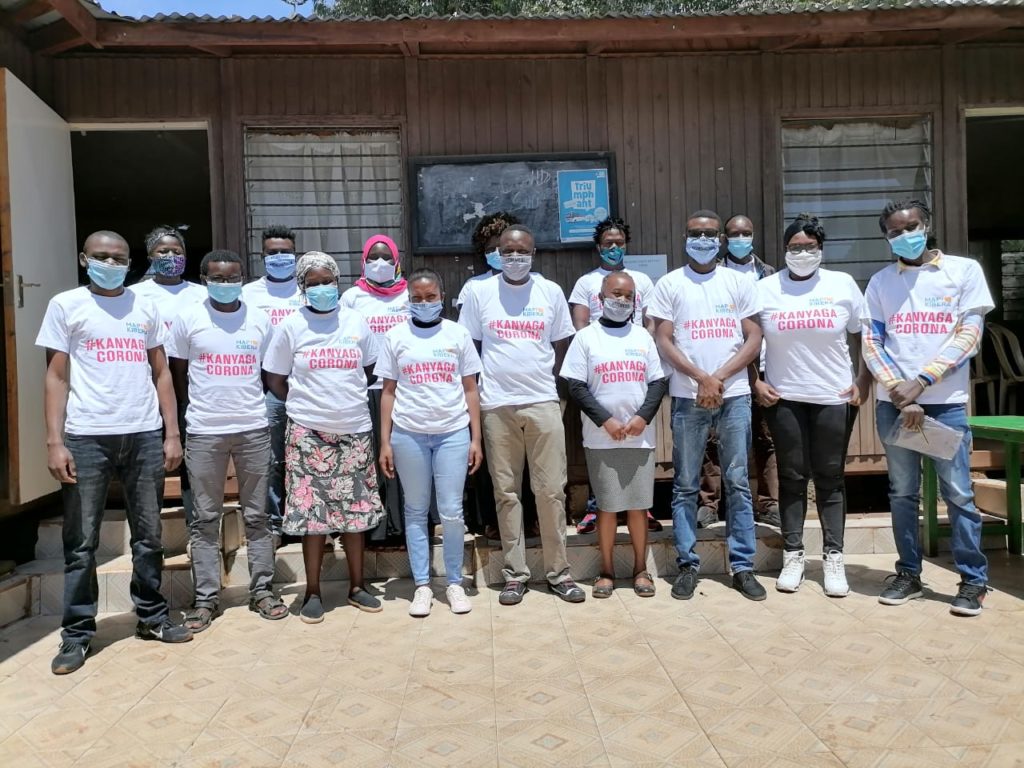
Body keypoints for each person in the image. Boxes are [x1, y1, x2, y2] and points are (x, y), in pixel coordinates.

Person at [37, 231, 192, 675]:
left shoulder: (145, 306)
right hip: (87, 436)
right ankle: (77, 633)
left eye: (118, 257)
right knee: (81, 543)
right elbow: (56, 376)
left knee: (149, 535)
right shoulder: (67, 305)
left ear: (129, 262)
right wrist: (55, 440)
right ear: (84, 259)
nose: (110, 262)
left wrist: (171, 432)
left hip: (143, 433)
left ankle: (152, 616)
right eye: (101, 256)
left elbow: (161, 372)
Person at [864, 200, 994, 617]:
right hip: (895, 406)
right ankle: (908, 574)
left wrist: (921, 383)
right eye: (895, 231)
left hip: (945, 404)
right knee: (902, 494)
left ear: (927, 225)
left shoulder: (964, 271)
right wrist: (898, 390)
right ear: (886, 238)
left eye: (912, 227)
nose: (905, 236)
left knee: (959, 494)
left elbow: (969, 335)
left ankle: (973, 581)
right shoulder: (881, 282)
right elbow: (872, 342)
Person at [459, 224, 585, 605]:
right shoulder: (480, 292)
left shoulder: (550, 291)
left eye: (522, 252)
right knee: (506, 492)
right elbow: (471, 349)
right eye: (507, 252)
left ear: (534, 253)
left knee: (550, 492)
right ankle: (515, 574)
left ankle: (559, 573)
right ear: (497, 253)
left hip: (543, 401)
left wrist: (547, 380)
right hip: (496, 404)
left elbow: (562, 344)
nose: (514, 258)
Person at [648, 210, 766, 601]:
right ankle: (687, 564)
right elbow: (663, 339)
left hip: (733, 397)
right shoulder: (669, 284)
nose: (703, 240)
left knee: (737, 482)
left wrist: (719, 378)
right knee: (684, 485)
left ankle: (743, 566)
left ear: (720, 239)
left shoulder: (739, 281)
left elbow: (753, 337)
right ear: (685, 236)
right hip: (687, 396)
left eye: (710, 234)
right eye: (696, 233)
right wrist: (701, 379)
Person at [168, 249, 287, 632]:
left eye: (233, 277)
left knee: (258, 516)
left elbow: (272, 373)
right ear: (204, 279)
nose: (225, 284)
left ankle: (263, 590)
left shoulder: (260, 319)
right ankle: (205, 599)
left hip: (253, 428)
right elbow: (178, 374)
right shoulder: (189, 319)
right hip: (204, 431)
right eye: (217, 278)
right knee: (204, 518)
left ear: (242, 277)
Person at [263, 251, 385, 621]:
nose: (321, 289)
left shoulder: (356, 321)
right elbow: (274, 377)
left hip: (353, 430)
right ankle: (312, 592)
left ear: (338, 282)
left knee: (354, 513)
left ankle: (357, 586)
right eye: (313, 284)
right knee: (312, 517)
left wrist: (339, 400)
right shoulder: (290, 326)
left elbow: (369, 368)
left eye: (326, 282)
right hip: (307, 433)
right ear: (302, 287)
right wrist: (306, 405)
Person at [754, 215, 871, 597]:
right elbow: (749, 337)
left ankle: (833, 558)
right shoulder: (767, 288)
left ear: (821, 250)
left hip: (833, 397)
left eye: (809, 247)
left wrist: (862, 382)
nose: (802, 253)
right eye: (794, 247)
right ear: (784, 250)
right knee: (791, 477)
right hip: (784, 397)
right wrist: (756, 380)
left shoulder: (842, 285)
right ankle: (793, 554)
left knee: (830, 477)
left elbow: (867, 335)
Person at [377, 269, 484, 616]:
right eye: (417, 298)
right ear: (409, 300)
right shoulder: (395, 336)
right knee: (415, 510)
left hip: (452, 432)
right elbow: (388, 392)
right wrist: (385, 442)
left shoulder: (458, 334)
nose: (424, 304)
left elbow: (470, 388)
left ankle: (453, 581)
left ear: (442, 296)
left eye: (431, 297)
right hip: (408, 434)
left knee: (452, 512)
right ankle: (422, 585)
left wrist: (475, 438)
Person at [561, 271, 667, 598]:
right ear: (601, 299)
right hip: (601, 438)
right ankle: (605, 570)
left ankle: (640, 569)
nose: (621, 301)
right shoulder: (586, 338)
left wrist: (642, 418)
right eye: (615, 294)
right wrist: (605, 420)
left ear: (635, 301)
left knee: (637, 507)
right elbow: (575, 386)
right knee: (607, 507)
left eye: (627, 296)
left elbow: (657, 383)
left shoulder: (642, 338)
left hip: (639, 438)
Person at [568, 217, 661, 536]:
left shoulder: (642, 280)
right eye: (607, 242)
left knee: (636, 446)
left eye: (618, 242)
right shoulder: (586, 282)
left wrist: (637, 342)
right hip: (598, 366)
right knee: (599, 445)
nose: (613, 247)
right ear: (598, 246)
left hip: (633, 361)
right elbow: (579, 322)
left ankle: (641, 509)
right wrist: (596, 350)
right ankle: (597, 507)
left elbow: (651, 322)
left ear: (626, 245)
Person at [699, 215, 780, 529]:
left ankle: (770, 504)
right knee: (712, 438)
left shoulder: (769, 275)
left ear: (754, 235)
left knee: (766, 437)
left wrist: (761, 378)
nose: (740, 238)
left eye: (746, 233)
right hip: (725, 368)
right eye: (734, 234)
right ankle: (709, 504)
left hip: (765, 367)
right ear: (724, 238)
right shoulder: (712, 274)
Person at [130, 226, 206, 523]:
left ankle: (194, 520)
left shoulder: (200, 294)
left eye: (177, 251)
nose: (171, 256)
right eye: (163, 251)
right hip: (149, 388)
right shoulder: (136, 294)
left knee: (191, 459)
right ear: (150, 256)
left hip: (191, 387)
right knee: (152, 460)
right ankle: (149, 523)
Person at [341, 235, 410, 546]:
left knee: (403, 458)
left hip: (406, 389)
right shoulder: (352, 298)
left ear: (396, 262)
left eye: (386, 258)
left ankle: (405, 524)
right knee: (371, 460)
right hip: (367, 388)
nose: (379, 264)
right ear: (362, 262)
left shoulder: (410, 294)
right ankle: (376, 527)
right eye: (373, 258)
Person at [242, 226, 303, 542]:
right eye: (272, 253)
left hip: (309, 389)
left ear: (296, 254)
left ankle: (309, 522)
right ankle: (275, 526)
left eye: (286, 252)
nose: (280, 258)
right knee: (272, 459)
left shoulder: (308, 288)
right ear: (262, 256)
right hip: (267, 389)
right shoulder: (249, 293)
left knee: (308, 457)